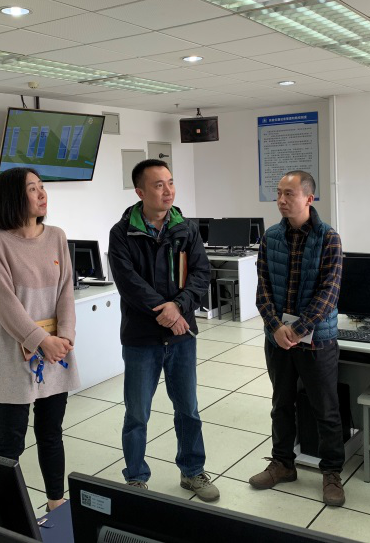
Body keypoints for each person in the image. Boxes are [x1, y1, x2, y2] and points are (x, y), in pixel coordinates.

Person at [107, 159, 219, 502]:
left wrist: (178, 306)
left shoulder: (186, 229)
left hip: (182, 336)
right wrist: (167, 312)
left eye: (170, 182)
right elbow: (129, 283)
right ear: (140, 192)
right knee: (137, 412)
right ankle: (136, 476)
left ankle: (192, 471)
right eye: (159, 185)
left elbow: (201, 273)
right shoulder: (122, 233)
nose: (168, 190)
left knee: (188, 408)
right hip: (141, 337)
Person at [0, 167, 80, 512]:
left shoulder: (56, 236)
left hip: (55, 352)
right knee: (11, 441)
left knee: (51, 433)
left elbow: (66, 290)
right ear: (12, 197)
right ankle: (0, 512)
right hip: (13, 352)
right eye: (32, 189)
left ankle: (56, 504)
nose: (42, 194)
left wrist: (65, 336)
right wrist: (41, 340)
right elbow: (5, 303)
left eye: (42, 187)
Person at [250, 170, 346, 507]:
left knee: (326, 409)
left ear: (309, 198)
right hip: (277, 339)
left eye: (289, 194)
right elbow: (262, 289)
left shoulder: (328, 238)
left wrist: (299, 329)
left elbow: (329, 293)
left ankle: (331, 472)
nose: (281, 200)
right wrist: (277, 327)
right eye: (279, 193)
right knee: (281, 404)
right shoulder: (271, 237)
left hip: (316, 340)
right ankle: (282, 463)